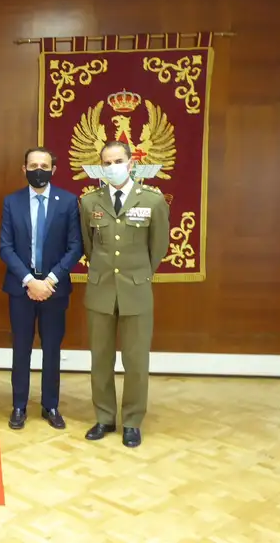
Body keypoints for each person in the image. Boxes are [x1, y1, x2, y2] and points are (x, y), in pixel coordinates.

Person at [80, 140, 170, 448]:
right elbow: (89, 246)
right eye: (107, 162)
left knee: (135, 360)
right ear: (101, 167)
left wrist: (137, 274)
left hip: (135, 291)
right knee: (100, 359)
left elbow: (157, 248)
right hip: (101, 289)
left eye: (118, 160)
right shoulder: (90, 202)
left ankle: (132, 420)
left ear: (131, 163)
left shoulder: (153, 201)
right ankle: (104, 417)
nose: (113, 166)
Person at [0, 147, 82, 430]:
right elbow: (5, 247)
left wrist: (49, 281)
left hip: (54, 289)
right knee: (21, 348)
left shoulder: (69, 202)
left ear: (53, 169)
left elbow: (75, 247)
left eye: (44, 165)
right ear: (24, 169)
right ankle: (19, 405)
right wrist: (29, 280)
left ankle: (51, 405)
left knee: (52, 349)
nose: (38, 169)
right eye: (33, 165)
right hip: (21, 288)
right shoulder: (12, 202)